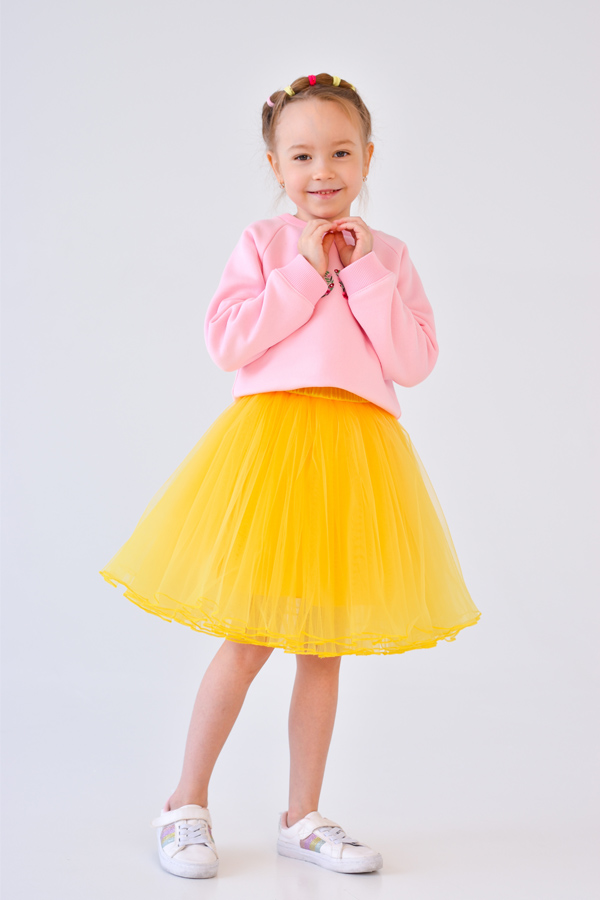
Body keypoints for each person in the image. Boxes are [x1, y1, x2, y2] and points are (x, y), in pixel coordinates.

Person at [99, 72, 482, 880]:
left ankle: (301, 816)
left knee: (323, 650)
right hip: (273, 454)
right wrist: (304, 271)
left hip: (355, 459)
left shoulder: (390, 255)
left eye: (340, 152)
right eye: (301, 155)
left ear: (368, 157)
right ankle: (184, 803)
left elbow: (413, 360)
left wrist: (365, 271)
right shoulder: (263, 243)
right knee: (247, 639)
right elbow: (229, 342)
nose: (322, 170)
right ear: (275, 166)